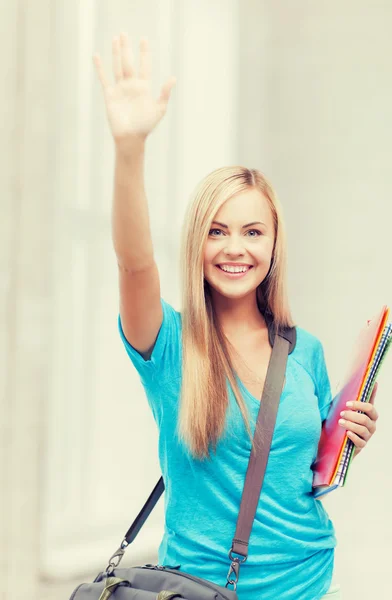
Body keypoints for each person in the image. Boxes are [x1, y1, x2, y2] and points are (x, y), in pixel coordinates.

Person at [93, 32, 378, 600]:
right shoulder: (168, 344)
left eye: (253, 232)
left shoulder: (304, 350)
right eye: (217, 231)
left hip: (311, 581)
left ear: (274, 246)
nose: (235, 248)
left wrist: (350, 439)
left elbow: (307, 475)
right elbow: (133, 263)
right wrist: (130, 149)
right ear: (197, 243)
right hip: (200, 589)